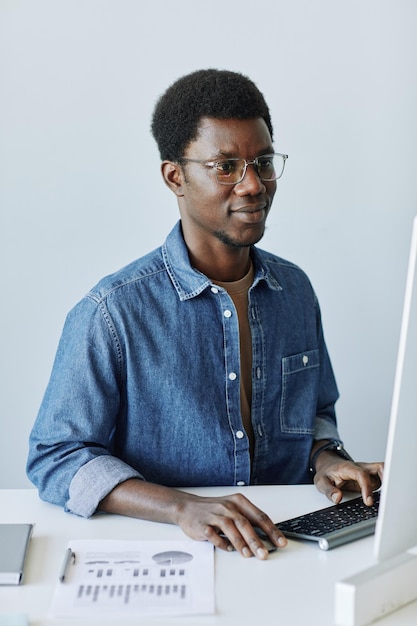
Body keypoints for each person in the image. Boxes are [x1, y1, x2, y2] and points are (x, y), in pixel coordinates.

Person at [27, 69, 383, 560]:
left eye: (262, 161)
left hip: (290, 551)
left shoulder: (295, 290)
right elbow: (56, 458)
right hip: (170, 554)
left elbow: (317, 413)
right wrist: (181, 508)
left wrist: (327, 459)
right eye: (225, 166)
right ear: (176, 176)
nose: (253, 184)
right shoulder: (112, 312)